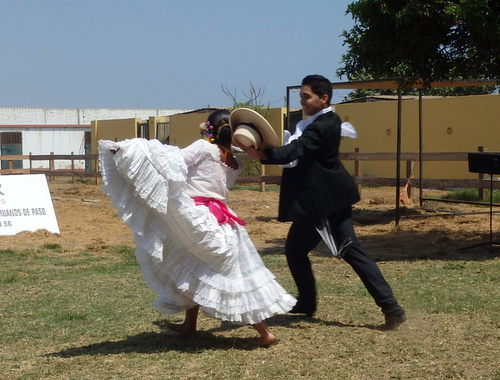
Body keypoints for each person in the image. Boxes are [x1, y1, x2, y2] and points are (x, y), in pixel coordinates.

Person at [98, 109, 296, 346]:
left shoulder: (203, 148)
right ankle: (190, 325)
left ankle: (264, 332)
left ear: (209, 129)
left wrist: (129, 152)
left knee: (210, 271)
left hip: (198, 215)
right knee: (199, 268)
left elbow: (172, 162)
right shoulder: (236, 163)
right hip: (225, 223)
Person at [244, 75, 407, 329]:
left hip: (325, 202)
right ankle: (307, 303)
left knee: (350, 250)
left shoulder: (325, 124)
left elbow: (298, 149)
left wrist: (265, 154)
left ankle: (391, 307)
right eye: (301, 96)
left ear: (324, 98)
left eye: (306, 96)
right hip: (314, 202)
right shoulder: (316, 122)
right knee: (295, 250)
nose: (303, 101)